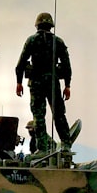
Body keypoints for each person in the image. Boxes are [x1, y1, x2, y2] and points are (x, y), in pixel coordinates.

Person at [15, 12, 73, 152]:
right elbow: (66, 66)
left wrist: (19, 83)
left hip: (36, 82)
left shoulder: (31, 40)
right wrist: (67, 85)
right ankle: (66, 144)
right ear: (51, 26)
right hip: (52, 82)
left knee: (38, 116)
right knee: (59, 114)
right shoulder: (58, 42)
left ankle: (42, 149)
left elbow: (20, 64)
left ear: (37, 25)